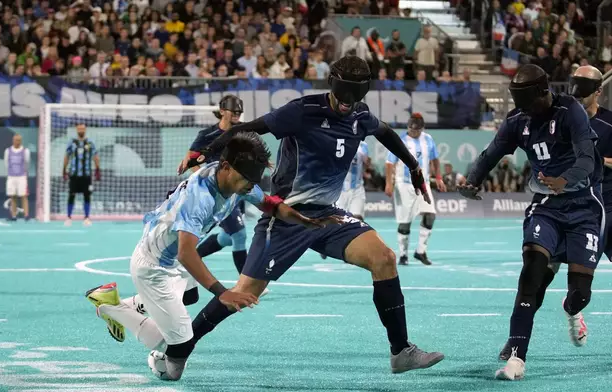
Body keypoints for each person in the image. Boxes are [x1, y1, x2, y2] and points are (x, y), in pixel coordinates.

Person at [181, 55, 445, 375]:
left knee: (385, 258)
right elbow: (250, 128)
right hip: (285, 215)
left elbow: (385, 132)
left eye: (355, 97)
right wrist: (204, 151)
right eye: (344, 96)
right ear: (333, 85)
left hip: (328, 216)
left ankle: (401, 351)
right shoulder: (302, 111)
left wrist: (414, 166)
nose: (348, 104)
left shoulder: (360, 113)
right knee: (244, 293)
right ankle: (181, 347)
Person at [85, 133, 340, 381]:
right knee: (176, 350)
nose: (251, 185)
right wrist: (222, 292)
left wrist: (305, 221)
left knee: (189, 295)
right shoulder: (200, 198)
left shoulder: (234, 178)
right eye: (248, 179)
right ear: (227, 167)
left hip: (169, 257)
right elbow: (187, 252)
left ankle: (126, 303)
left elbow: (269, 204)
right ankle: (111, 308)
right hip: (155, 267)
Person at [459, 64, 604, 381]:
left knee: (580, 293)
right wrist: (472, 180)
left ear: (544, 92)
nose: (524, 110)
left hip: (584, 208)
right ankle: (516, 357)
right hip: (545, 207)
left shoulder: (571, 110)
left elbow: (586, 157)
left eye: (528, 102)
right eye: (518, 103)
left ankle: (572, 308)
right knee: (531, 276)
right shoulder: (517, 119)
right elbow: (490, 154)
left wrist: (565, 180)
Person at [497, 64, 612, 360]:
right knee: (537, 278)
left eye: (583, 86)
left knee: (580, 291)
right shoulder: (557, 115)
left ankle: (574, 309)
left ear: (598, 91)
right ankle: (516, 340)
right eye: (573, 83)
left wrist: (601, 161)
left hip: (600, 209)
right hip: (557, 207)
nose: (576, 90)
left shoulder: (609, 125)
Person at [177, 95, 254, 282]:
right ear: (222, 111)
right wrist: (205, 176)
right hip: (218, 194)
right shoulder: (206, 135)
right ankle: (247, 282)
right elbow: (191, 159)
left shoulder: (243, 133)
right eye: (233, 111)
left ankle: (190, 257)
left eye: (239, 112)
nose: (237, 114)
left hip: (238, 193)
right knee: (239, 234)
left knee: (228, 237)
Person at [384, 113, 446, 265]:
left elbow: (435, 159)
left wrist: (438, 177)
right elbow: (389, 163)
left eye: (417, 130)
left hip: (422, 184)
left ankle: (420, 251)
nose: (414, 133)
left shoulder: (428, 139)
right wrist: (389, 183)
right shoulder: (400, 140)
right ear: (408, 127)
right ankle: (403, 254)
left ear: (422, 128)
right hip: (404, 184)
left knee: (430, 215)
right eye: (412, 130)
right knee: (405, 222)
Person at [62, 124, 101, 226]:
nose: (81, 130)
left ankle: (87, 218)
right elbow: (67, 156)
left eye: (82, 128)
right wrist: (64, 169)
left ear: (85, 130)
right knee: (71, 195)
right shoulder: (72, 143)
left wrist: (97, 169)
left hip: (86, 174)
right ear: (76, 130)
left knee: (86, 196)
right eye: (79, 128)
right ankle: (69, 217)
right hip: (74, 174)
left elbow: (95, 156)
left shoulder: (90, 143)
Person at [336, 140, 369, 221]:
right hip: (339, 191)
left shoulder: (363, 145)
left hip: (357, 189)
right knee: (339, 221)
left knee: (358, 219)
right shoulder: (336, 141)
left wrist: (366, 162)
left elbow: (366, 164)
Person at [4, 133, 31, 221]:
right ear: (13, 140)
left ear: (21, 141)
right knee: (13, 196)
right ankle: (13, 216)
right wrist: (11, 173)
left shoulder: (25, 151)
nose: (17, 142)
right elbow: (6, 163)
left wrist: (23, 173)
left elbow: (27, 163)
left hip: (22, 177)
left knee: (24, 196)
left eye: (19, 140)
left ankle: (26, 215)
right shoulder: (8, 151)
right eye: (16, 140)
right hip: (11, 177)